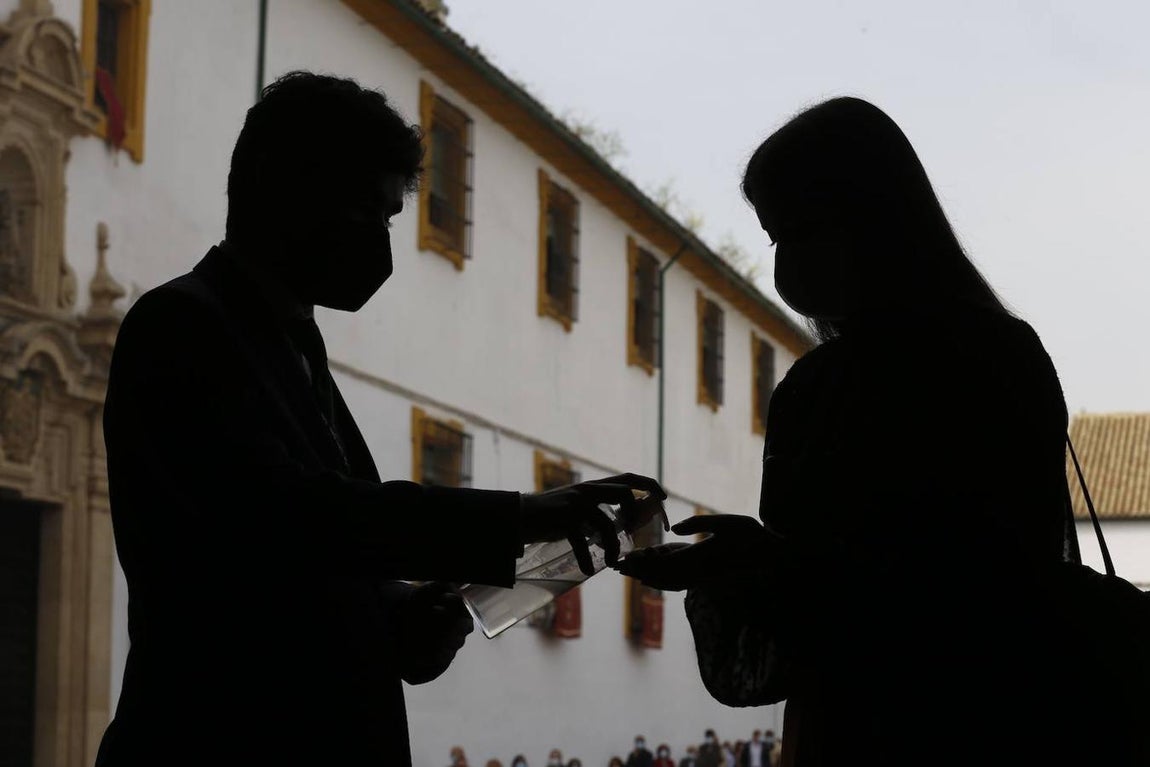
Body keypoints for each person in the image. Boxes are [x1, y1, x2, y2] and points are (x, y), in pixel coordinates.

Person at [93, 71, 664, 767]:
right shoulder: (183, 325)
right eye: (368, 213)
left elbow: (299, 566)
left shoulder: (292, 344)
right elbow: (288, 515)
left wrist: (398, 612)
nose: (381, 245)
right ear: (281, 186)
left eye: (390, 219)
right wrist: (521, 516)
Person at [618, 97, 1099, 766]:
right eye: (775, 237)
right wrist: (755, 562)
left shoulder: (863, 380)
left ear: (869, 218)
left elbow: (966, 585)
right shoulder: (994, 355)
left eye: (799, 230)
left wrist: (760, 564)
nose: (785, 260)